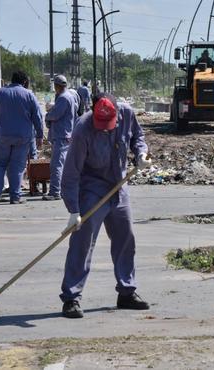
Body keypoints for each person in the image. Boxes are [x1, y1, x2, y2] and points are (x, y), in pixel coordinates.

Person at [59, 93, 152, 318]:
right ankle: (71, 298)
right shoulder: (82, 129)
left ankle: (126, 292)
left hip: (119, 185)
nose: (106, 129)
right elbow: (70, 174)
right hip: (92, 189)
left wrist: (141, 152)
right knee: (82, 242)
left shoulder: (127, 113)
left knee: (125, 238)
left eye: (109, 125)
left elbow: (137, 137)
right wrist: (73, 210)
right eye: (101, 126)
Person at [0, 71, 43, 205]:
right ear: (25, 81)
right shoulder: (29, 95)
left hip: (3, 136)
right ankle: (15, 197)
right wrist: (39, 135)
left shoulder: (0, 93)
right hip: (23, 137)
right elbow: (37, 117)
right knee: (18, 166)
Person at [44, 74, 76, 201]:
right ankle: (61, 189)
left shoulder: (63, 98)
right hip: (65, 134)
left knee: (56, 164)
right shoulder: (68, 96)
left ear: (57, 86)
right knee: (61, 164)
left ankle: (55, 192)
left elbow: (56, 115)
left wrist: (47, 116)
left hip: (62, 135)